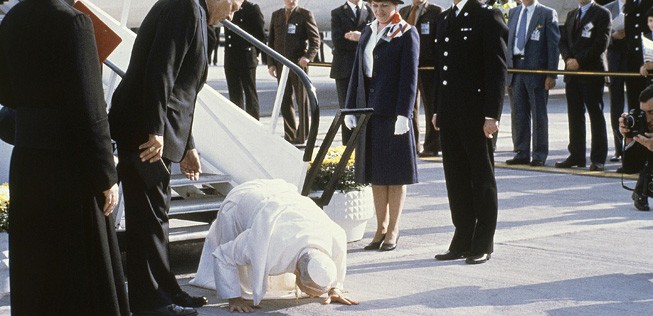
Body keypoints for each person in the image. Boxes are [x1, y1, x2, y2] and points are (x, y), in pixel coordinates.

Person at [108, 0, 244, 315]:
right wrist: (155, 131)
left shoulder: (196, 13)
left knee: (156, 215)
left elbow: (186, 90)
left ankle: (165, 291)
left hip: (156, 129)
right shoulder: (183, 8)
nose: (233, 13)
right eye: (233, 5)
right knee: (149, 218)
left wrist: (187, 146)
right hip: (144, 130)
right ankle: (151, 301)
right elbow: (161, 69)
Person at [0, 0, 129, 314]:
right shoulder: (74, 22)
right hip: (71, 167)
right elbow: (91, 109)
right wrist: (106, 174)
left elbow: (5, 92)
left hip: (28, 162)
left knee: (36, 272)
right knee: (80, 275)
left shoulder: (13, 18)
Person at [190, 179, 359, 312]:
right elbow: (223, 255)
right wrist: (234, 297)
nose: (314, 295)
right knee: (241, 273)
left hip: (282, 195)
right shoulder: (264, 244)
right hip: (243, 199)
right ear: (298, 273)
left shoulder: (333, 237)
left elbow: (338, 256)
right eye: (311, 291)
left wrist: (335, 288)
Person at [431, 0, 508, 264]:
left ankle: (483, 242)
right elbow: (442, 69)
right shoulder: (445, 18)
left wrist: (492, 115)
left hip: (476, 115)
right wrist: (437, 108)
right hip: (451, 112)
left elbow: (496, 68)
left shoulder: (487, 16)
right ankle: (462, 237)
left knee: (481, 179)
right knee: (456, 179)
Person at [344, 0, 419, 252]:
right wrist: (351, 107)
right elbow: (358, 72)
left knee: (395, 174)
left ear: (396, 6)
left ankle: (394, 228)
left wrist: (404, 114)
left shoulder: (406, 32)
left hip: (393, 112)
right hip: (370, 111)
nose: (379, 11)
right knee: (376, 174)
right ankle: (380, 227)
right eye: (375, 5)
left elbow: (410, 77)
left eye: (384, 5)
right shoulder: (368, 30)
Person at [556, 0, 611, 171]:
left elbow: (601, 43)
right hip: (572, 74)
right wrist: (567, 59)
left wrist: (579, 61)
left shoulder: (602, 13)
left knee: (595, 114)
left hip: (591, 72)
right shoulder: (573, 14)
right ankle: (577, 154)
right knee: (575, 115)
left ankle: (598, 157)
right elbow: (563, 40)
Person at [504, 0, 560, 167]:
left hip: (536, 69)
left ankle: (539, 153)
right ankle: (521, 151)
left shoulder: (546, 13)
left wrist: (551, 74)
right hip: (516, 67)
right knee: (518, 112)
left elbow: (553, 45)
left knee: (538, 113)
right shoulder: (514, 12)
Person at [267, 0, 320, 144]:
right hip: (280, 64)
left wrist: (307, 57)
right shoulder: (276, 15)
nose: (290, 1)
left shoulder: (304, 14)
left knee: (301, 100)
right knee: (285, 100)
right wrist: (271, 64)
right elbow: (271, 42)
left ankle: (302, 135)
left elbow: (315, 40)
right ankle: (290, 135)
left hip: (298, 64)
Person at [399, 0, 443, 157]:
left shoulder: (436, 11)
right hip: (409, 64)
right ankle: (412, 144)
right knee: (409, 107)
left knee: (432, 106)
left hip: (428, 66)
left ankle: (432, 145)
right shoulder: (403, 11)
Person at [330, 0, 374, 144]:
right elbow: (338, 41)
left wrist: (358, 37)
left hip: (364, 67)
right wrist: (362, 41)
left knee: (364, 107)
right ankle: (348, 145)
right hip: (344, 68)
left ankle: (364, 144)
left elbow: (374, 37)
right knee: (347, 109)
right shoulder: (337, 12)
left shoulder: (370, 10)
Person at [224, 0, 266, 119]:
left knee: (250, 93)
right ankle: (237, 121)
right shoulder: (228, 7)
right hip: (231, 57)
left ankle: (253, 123)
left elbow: (260, 36)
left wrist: (255, 54)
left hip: (246, 57)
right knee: (234, 94)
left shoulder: (252, 9)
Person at [619, 85, 653, 211]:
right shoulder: (644, 124)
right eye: (644, 113)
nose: (648, 119)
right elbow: (630, 168)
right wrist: (629, 137)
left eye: (652, 112)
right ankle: (641, 190)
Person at [605, 0, 628, 163]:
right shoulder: (608, 9)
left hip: (636, 59)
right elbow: (601, 36)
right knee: (616, 106)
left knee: (636, 103)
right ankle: (619, 148)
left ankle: (635, 146)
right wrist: (613, 36)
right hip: (615, 60)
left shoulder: (641, 5)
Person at [624, 0, 653, 114]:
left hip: (648, 59)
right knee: (634, 100)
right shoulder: (631, 2)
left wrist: (646, 62)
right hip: (632, 59)